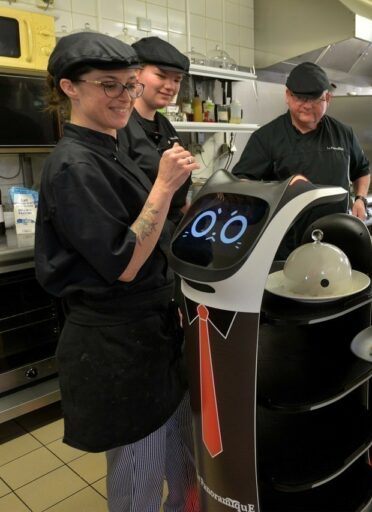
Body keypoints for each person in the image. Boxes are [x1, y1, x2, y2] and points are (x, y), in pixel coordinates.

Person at [34, 32, 200, 512]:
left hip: (154, 335)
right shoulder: (74, 166)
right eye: (109, 85)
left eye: (129, 85)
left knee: (182, 460)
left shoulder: (112, 150)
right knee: (138, 478)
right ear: (69, 87)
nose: (124, 96)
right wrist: (164, 186)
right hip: (117, 346)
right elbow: (125, 263)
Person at [232, 61, 370, 259]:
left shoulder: (343, 133)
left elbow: (362, 170)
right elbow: (241, 184)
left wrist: (360, 199)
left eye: (314, 98)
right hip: (284, 245)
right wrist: (281, 188)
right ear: (288, 96)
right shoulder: (266, 138)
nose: (306, 105)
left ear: (327, 98)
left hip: (336, 241)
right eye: (299, 97)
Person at [121, 36, 192, 228]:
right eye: (161, 76)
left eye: (177, 80)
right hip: (141, 233)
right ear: (135, 74)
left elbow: (179, 199)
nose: (170, 86)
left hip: (172, 233)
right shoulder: (119, 125)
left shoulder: (165, 124)